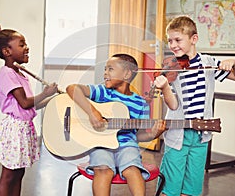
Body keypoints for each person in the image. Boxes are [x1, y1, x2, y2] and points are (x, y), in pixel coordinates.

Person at [154, 15, 235, 196]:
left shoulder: (209, 63)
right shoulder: (171, 68)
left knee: (192, 186)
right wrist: (165, 86)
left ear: (193, 39)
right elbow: (173, 105)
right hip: (178, 133)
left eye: (178, 40)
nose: (173, 45)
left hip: (201, 135)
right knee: (170, 186)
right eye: (170, 41)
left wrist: (234, 63)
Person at [66, 53, 177, 196]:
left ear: (126, 74)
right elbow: (72, 88)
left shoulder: (141, 103)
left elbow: (139, 136)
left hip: (127, 145)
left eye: (110, 69)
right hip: (101, 144)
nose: (105, 73)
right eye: (105, 69)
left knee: (132, 169)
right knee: (103, 170)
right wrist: (92, 112)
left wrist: (154, 133)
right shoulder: (102, 92)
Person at [0, 22, 58, 196]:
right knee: (9, 175)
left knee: (19, 173)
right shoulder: (7, 73)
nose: (27, 48)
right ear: (7, 52)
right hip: (15, 130)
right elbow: (25, 103)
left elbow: (30, 105)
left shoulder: (19, 73)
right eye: (22, 44)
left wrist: (52, 98)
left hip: (24, 127)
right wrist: (45, 92)